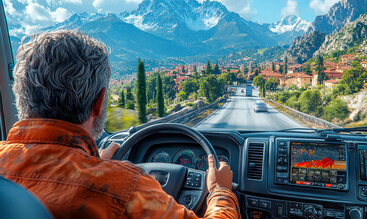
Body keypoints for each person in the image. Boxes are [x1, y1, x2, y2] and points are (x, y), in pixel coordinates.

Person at [0, 30, 240, 219]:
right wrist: (221, 191)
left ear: (20, 96)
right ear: (99, 102)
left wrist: (94, 164)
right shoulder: (123, 188)